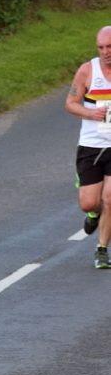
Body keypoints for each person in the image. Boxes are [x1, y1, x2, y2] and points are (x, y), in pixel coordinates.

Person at [65, 24, 111, 269]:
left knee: (110, 197)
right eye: (101, 47)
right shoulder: (87, 71)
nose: (105, 52)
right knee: (89, 203)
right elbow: (71, 103)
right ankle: (94, 213)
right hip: (91, 145)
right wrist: (91, 113)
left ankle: (102, 249)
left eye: (110, 47)